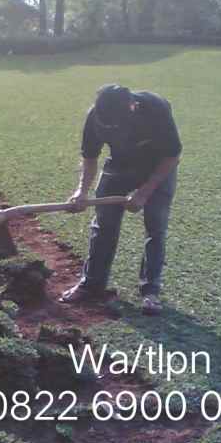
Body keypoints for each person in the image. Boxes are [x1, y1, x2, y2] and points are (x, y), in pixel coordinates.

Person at [60, 84, 182, 315]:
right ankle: (92, 284)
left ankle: (150, 292)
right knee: (103, 225)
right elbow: (90, 157)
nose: (111, 128)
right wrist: (81, 192)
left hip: (157, 167)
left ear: (132, 107)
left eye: (115, 124)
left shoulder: (156, 108)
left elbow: (172, 155)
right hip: (119, 165)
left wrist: (144, 193)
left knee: (155, 228)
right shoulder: (95, 117)